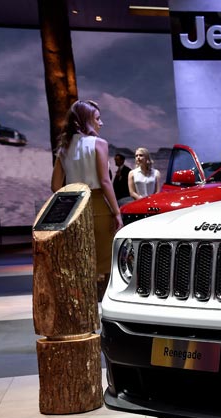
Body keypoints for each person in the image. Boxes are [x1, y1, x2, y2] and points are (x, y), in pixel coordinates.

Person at [50, 99, 122, 300]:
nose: (101, 123)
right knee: (105, 263)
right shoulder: (99, 144)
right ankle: (104, 307)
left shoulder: (64, 148)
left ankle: (84, 305)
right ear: (86, 120)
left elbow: (55, 186)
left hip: (75, 208)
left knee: (82, 260)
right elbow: (105, 181)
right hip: (99, 207)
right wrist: (117, 213)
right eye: (97, 119)